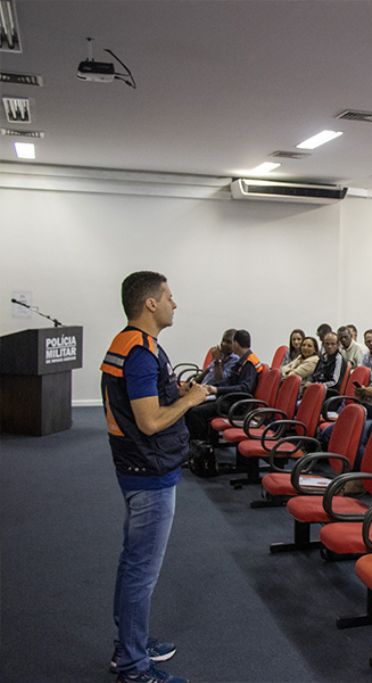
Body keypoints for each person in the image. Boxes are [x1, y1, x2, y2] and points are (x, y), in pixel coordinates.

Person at [101, 271, 211, 683]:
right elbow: (148, 422)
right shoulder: (142, 353)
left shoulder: (128, 343)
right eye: (169, 296)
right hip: (148, 471)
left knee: (133, 564)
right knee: (141, 570)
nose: (174, 303)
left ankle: (129, 643)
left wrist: (175, 391)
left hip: (136, 466)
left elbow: (141, 405)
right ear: (150, 303)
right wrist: (190, 399)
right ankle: (132, 666)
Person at [184, 329, 263, 444]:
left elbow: (245, 388)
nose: (224, 344)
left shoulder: (249, 363)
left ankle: (200, 447)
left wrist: (217, 389)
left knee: (196, 412)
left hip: (236, 405)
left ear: (235, 343)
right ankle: (200, 443)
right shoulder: (243, 360)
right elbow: (230, 381)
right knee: (192, 407)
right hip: (228, 399)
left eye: (229, 342)